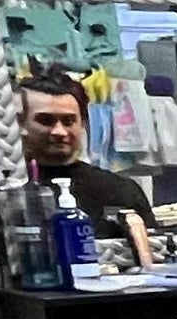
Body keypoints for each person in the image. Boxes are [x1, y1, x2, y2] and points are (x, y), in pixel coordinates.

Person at [12, 71, 156, 257]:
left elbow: (153, 254)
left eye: (69, 121)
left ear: (83, 124)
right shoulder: (11, 192)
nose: (59, 131)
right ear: (21, 124)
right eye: (46, 121)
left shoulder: (119, 190)